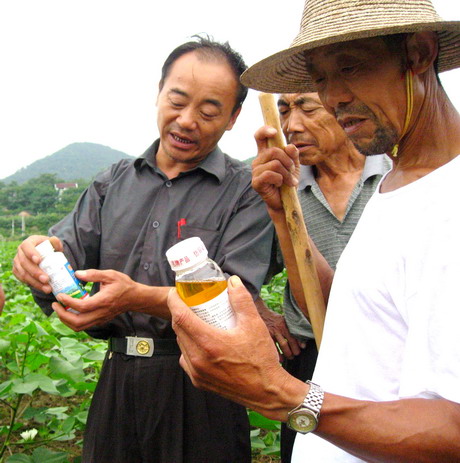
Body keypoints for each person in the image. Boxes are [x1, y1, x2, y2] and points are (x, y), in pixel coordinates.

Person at [167, 1, 460, 462]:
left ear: (419, 53)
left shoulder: (451, 200)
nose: (333, 96)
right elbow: (351, 308)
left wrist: (281, 394)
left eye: (351, 67)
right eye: (320, 78)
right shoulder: (400, 181)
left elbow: (454, 431)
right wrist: (285, 214)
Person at [12, 36, 273, 463]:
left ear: (232, 118)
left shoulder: (246, 192)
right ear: (158, 94)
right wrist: (39, 257)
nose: (187, 120)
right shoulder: (111, 182)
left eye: (209, 111)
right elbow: (66, 257)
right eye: (177, 100)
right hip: (117, 380)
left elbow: (230, 302)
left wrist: (138, 297)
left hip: (204, 386)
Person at [255, 91, 390, 462]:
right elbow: (241, 269)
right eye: (283, 110)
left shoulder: (398, 174)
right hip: (310, 362)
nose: (292, 125)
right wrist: (264, 316)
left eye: (307, 107)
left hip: (388, 358)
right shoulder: (279, 186)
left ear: (342, 105)